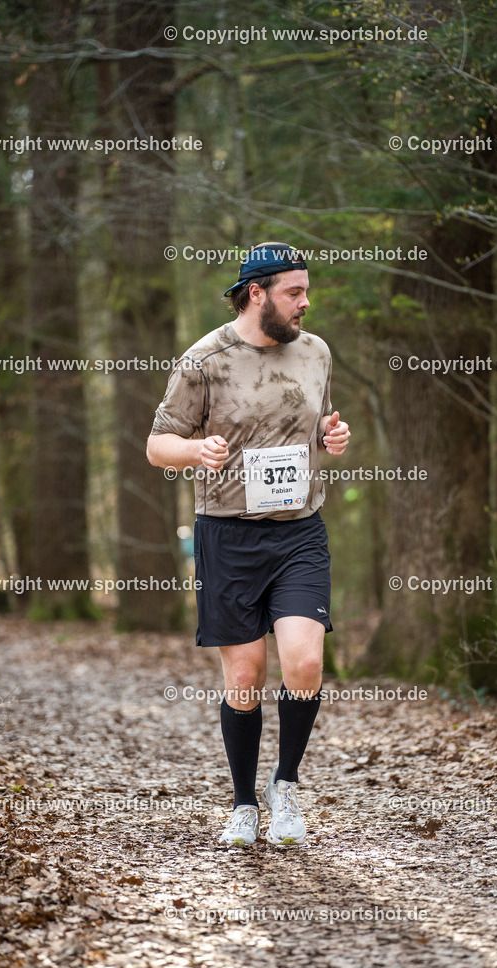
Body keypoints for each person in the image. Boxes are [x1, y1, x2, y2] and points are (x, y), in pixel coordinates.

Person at [146, 242, 350, 847]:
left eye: (306, 291)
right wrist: (195, 451)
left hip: (300, 532)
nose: (305, 303)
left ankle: (285, 785)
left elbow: (321, 423)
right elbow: (159, 444)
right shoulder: (205, 360)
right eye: (294, 293)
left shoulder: (315, 353)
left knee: (305, 662)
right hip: (228, 535)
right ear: (256, 293)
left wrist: (331, 436)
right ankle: (242, 802)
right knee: (245, 676)